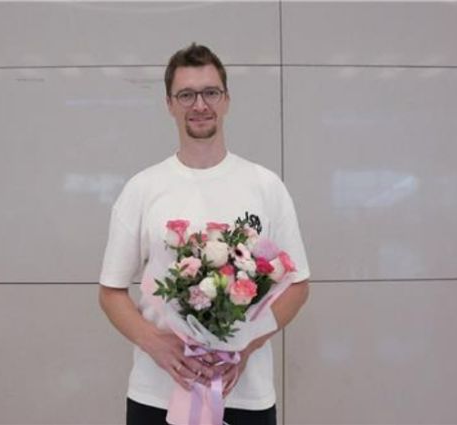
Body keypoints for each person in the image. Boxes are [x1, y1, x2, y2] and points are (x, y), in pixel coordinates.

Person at [99, 43, 311, 425]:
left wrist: (245, 347)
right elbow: (111, 292)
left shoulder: (265, 185)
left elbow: (298, 285)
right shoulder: (144, 188)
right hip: (157, 394)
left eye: (210, 92)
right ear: (169, 104)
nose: (200, 105)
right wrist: (155, 344)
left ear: (226, 99)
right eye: (186, 95)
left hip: (245, 393)